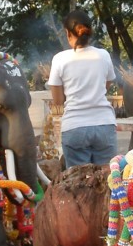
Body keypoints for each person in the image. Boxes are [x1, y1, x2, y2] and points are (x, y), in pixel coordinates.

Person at [48, 10, 118, 169]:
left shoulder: (60, 59)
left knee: (78, 183)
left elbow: (58, 101)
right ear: (89, 32)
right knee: (108, 180)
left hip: (74, 127)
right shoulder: (103, 55)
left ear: (67, 33)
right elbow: (106, 85)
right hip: (104, 125)